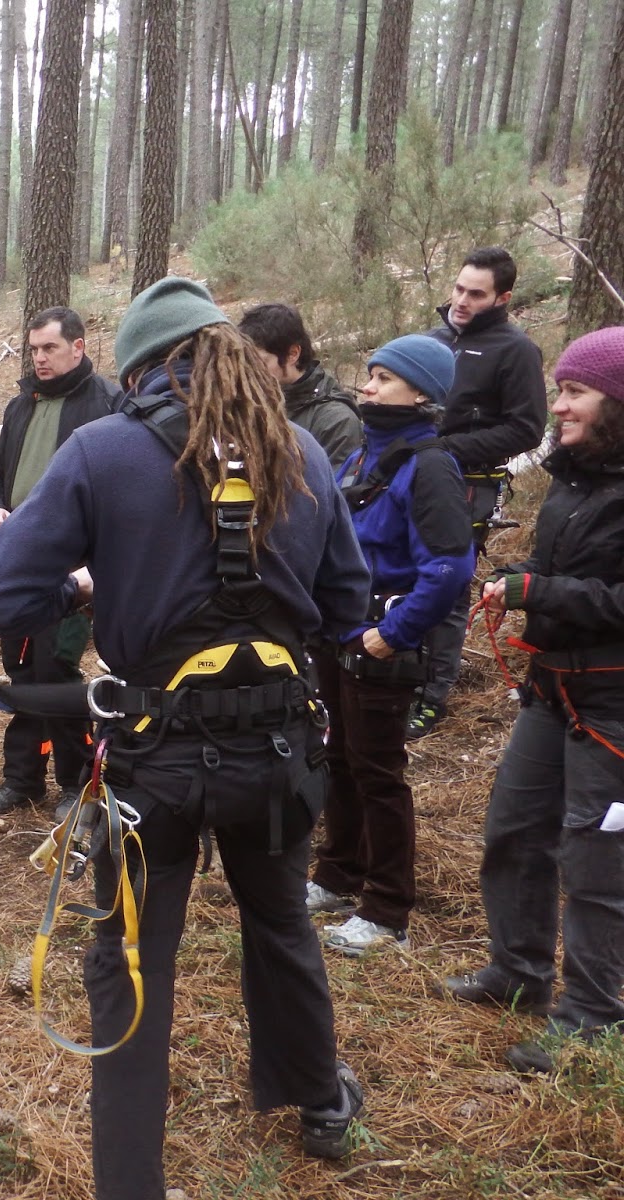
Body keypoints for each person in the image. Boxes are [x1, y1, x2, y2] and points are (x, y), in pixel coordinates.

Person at [0, 277, 373, 1198]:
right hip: (277, 757)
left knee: (133, 957)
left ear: (148, 369)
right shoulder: (300, 449)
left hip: (157, 764)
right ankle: (318, 1101)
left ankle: (130, 1181)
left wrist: (86, 586)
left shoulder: (104, 452)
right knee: (279, 924)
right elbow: (348, 608)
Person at [440, 325, 624, 1075]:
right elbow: (570, 566)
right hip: (553, 689)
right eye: (560, 390)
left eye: (574, 392)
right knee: (514, 830)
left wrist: (540, 591)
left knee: (597, 863)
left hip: (613, 706)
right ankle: (517, 971)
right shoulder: (575, 473)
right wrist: (524, 576)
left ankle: (591, 1015)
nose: (559, 405)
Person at [307, 335, 475, 956]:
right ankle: (336, 874)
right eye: (370, 375)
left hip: (379, 642)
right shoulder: (362, 457)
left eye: (383, 378)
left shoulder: (429, 467)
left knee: (378, 771)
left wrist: (392, 635)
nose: (368, 388)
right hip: (338, 637)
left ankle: (386, 908)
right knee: (340, 760)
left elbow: (452, 568)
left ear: (423, 393)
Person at [0, 306, 120, 818]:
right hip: (17, 565)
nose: (39, 357)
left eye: (49, 348)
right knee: (20, 672)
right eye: (33, 349)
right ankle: (22, 780)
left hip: (72, 572)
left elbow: (113, 491)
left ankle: (80, 785)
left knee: (57, 671)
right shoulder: (21, 405)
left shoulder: (106, 404)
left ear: (78, 347)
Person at [413, 247, 547, 739]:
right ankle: (401, 678)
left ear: (502, 298)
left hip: (468, 483)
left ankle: (432, 695)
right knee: (399, 574)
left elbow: (527, 429)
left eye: (476, 294)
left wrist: (445, 449)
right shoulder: (433, 338)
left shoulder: (515, 350)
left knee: (446, 585)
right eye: (458, 288)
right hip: (412, 477)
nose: (461, 301)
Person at [238, 302, 362, 469]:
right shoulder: (251, 403)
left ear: (292, 354)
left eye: (259, 361)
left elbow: (337, 492)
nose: (249, 370)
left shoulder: (336, 422)